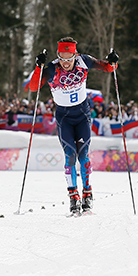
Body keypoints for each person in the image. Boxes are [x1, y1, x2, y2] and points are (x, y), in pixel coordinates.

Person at [28, 37, 118, 215]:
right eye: (62, 57)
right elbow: (33, 87)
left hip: (83, 115)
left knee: (83, 155)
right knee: (70, 155)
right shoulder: (52, 68)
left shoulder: (83, 61)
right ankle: (73, 196)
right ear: (58, 55)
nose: (66, 62)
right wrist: (38, 68)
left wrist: (114, 61)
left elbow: (108, 67)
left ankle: (87, 193)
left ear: (75, 55)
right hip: (64, 117)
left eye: (69, 58)